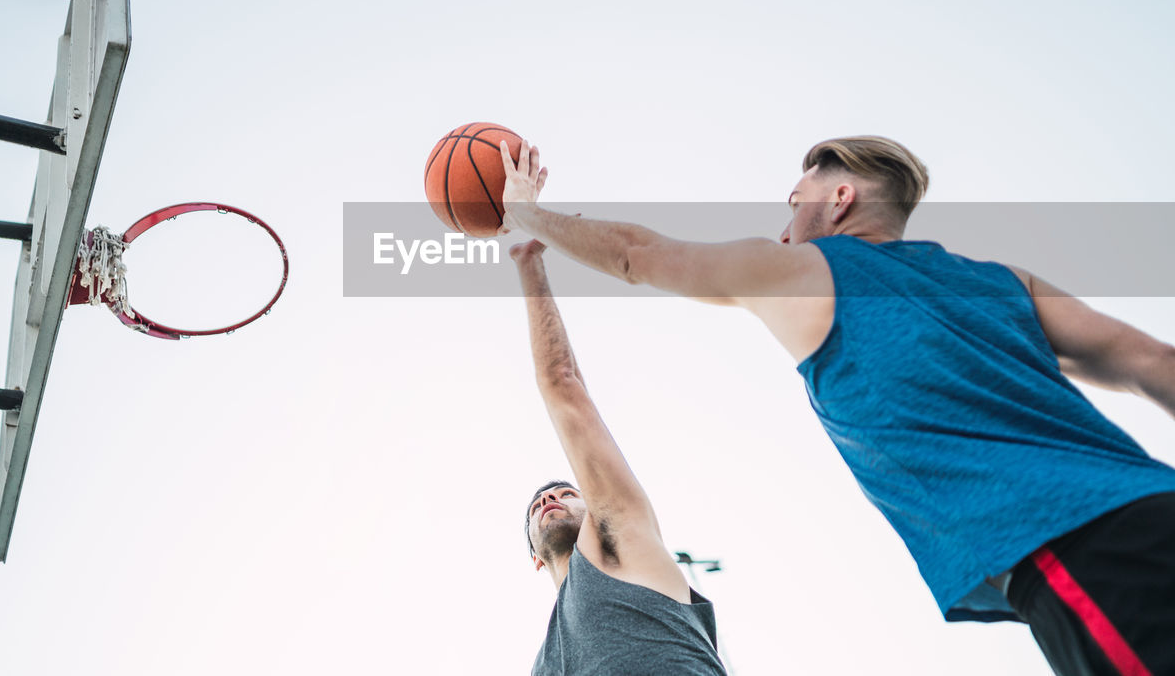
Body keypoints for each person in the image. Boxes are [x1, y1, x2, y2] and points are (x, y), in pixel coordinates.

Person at [499, 135, 1175, 676]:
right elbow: (1155, 365)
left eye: (794, 202)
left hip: (1075, 540)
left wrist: (524, 216)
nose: (786, 230)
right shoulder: (1001, 283)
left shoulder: (807, 272)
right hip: (1149, 504)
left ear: (841, 197)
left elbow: (633, 255)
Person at [511, 238, 727, 676]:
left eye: (567, 493)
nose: (548, 500)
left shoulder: (618, 535)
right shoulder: (543, 665)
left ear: (594, 504)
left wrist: (528, 260)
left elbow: (562, 380)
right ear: (535, 556)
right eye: (537, 506)